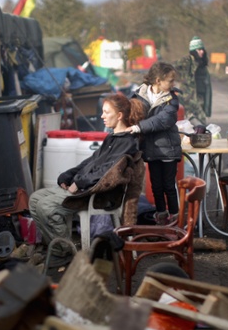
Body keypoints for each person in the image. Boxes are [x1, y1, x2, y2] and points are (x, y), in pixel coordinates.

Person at [29, 93, 145, 265]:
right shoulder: (112, 137)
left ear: (119, 116)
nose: (102, 116)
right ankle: (57, 248)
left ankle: (65, 252)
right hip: (86, 188)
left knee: (45, 207)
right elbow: (92, 161)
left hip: (97, 195)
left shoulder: (127, 143)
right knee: (34, 199)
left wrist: (79, 183)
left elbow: (106, 173)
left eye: (106, 112)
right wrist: (68, 175)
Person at [128, 62, 182, 225]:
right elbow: (132, 113)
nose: (173, 84)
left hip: (167, 150)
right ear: (158, 81)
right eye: (170, 80)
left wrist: (138, 127)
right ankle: (161, 214)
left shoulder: (172, 99)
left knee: (169, 186)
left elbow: (163, 120)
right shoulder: (138, 95)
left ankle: (175, 215)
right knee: (156, 186)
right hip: (150, 150)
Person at [174, 36, 213, 123]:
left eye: (202, 49)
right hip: (186, 100)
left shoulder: (203, 67)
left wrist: (207, 109)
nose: (202, 51)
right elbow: (172, 69)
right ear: (193, 51)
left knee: (201, 123)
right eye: (199, 49)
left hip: (199, 100)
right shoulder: (186, 61)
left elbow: (208, 89)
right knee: (189, 124)